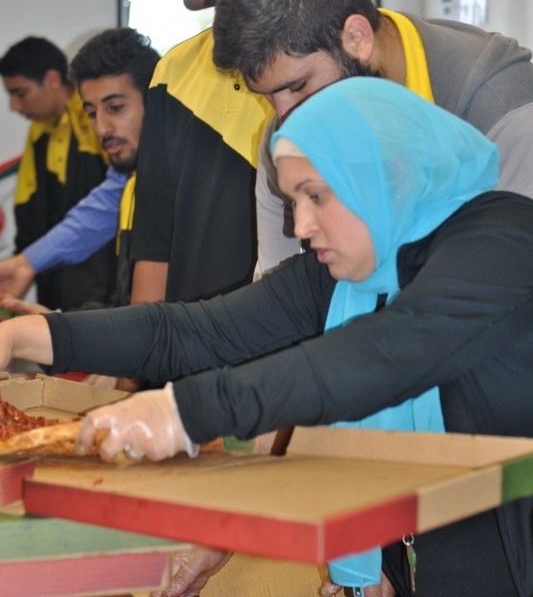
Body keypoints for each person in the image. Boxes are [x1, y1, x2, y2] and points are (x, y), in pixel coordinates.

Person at [3, 79, 533, 597]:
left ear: (385, 176)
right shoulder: (352, 271)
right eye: (293, 199)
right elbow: (190, 331)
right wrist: (27, 336)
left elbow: (383, 355)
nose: (300, 225)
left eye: (316, 196)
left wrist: (182, 412)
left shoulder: (502, 240)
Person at [211, 0, 533, 275]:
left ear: (357, 38)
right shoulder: (286, 143)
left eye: (298, 86)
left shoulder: (501, 108)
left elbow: (505, 292)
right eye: (266, 95)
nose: (284, 118)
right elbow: (277, 297)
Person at [129, 0, 296, 305]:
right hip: (190, 347)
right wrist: (136, 364)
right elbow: (154, 241)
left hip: (296, 344)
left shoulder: (322, 60)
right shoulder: (173, 71)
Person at [0, 27, 159, 313]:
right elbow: (106, 203)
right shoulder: (130, 171)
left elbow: (152, 324)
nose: (101, 129)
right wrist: (26, 262)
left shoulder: (186, 173)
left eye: (116, 107)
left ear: (155, 100)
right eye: (91, 113)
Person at [0, 36, 116, 310]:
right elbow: (27, 207)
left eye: (20, 93)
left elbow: (122, 196)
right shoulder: (39, 131)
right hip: (52, 276)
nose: (14, 107)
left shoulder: (95, 121)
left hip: (104, 285)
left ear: (52, 79)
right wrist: (23, 265)